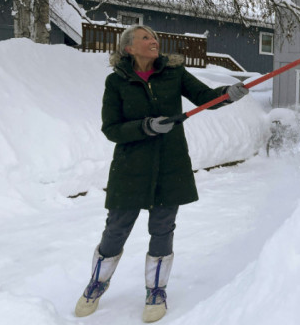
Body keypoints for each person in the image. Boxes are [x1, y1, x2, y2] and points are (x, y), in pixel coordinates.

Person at [74, 25, 248, 323]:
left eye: (154, 37)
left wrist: (227, 95)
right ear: (128, 48)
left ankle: (156, 290)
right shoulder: (116, 82)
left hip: (170, 164)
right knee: (116, 229)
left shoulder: (174, 73)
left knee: (163, 228)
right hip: (131, 166)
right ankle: (97, 283)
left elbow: (205, 97)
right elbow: (111, 128)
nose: (154, 40)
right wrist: (145, 127)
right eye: (145, 37)